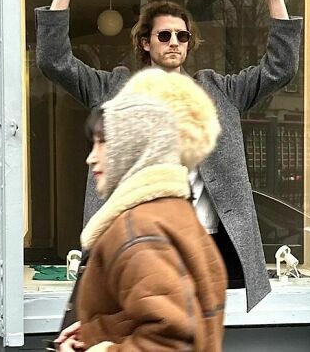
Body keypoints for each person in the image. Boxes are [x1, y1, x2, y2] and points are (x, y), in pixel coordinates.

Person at [36, 0, 303, 313]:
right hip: (142, 245)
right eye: (164, 35)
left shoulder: (217, 91)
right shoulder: (115, 88)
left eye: (182, 36)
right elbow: (55, 62)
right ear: (145, 42)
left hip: (207, 244)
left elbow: (280, 68)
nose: (174, 42)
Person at [58, 68, 227, 351]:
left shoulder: (137, 229)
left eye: (103, 142)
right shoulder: (175, 213)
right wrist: (97, 331)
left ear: (133, 147)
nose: (90, 157)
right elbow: (177, 310)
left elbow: (172, 340)